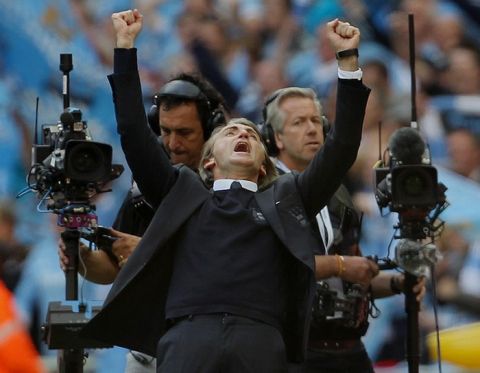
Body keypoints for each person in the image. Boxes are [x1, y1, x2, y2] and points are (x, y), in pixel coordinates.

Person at [81, 9, 371, 372]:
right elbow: (134, 133)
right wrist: (124, 49)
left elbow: (342, 145)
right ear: (208, 162)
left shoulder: (288, 196)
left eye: (251, 134)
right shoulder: (180, 191)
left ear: (264, 164)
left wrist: (347, 62)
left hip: (260, 343)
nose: (242, 134)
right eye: (231, 132)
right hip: (188, 339)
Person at [59, 54, 228, 373]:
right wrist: (80, 258)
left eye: (185, 133)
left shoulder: (232, 189)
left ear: (212, 128)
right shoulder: (142, 191)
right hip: (147, 354)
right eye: (164, 131)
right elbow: (111, 268)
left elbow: (225, 264)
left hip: (209, 348)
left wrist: (146, 253)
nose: (172, 144)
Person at [262, 86, 426, 372]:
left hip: (349, 350)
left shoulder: (337, 192)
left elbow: (353, 273)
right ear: (275, 137)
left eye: (316, 120)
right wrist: (340, 265)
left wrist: (398, 283)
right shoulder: (266, 193)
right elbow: (276, 268)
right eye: (299, 123)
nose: (312, 129)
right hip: (296, 354)